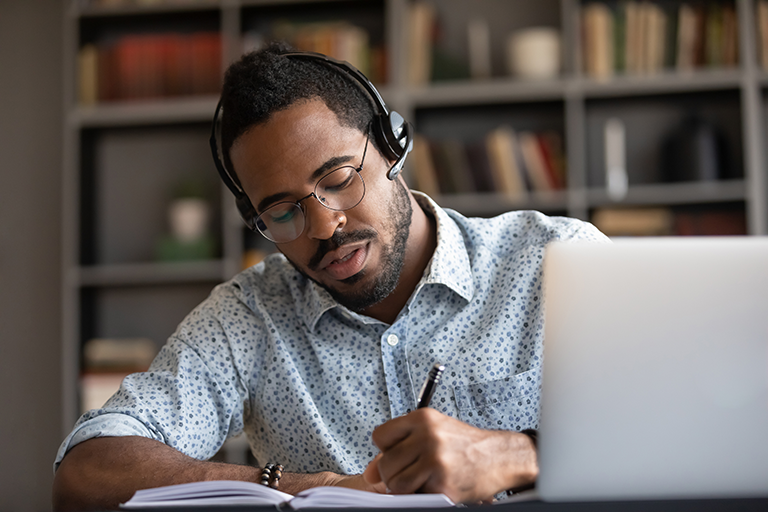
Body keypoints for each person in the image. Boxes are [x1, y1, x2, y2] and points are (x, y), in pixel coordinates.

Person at [52, 42, 608, 511]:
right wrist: (307, 488)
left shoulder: (558, 261)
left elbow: (686, 431)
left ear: (393, 146)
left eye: (339, 178)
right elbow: (85, 470)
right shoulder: (249, 316)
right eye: (282, 212)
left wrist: (516, 454)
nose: (323, 226)